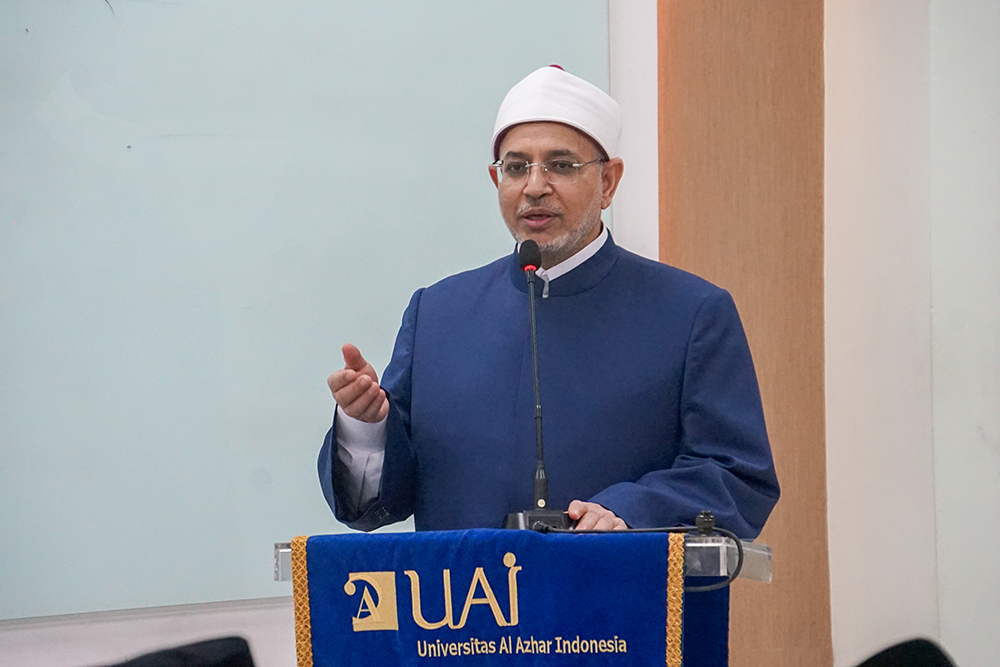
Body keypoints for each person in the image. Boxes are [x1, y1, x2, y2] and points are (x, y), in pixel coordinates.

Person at [319, 66, 779, 537]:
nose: (535, 186)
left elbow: (736, 475)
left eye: (561, 165)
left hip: (618, 583)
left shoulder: (691, 313)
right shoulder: (436, 314)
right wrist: (365, 427)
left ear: (608, 182)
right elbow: (378, 506)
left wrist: (629, 511)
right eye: (516, 167)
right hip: (463, 588)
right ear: (496, 179)